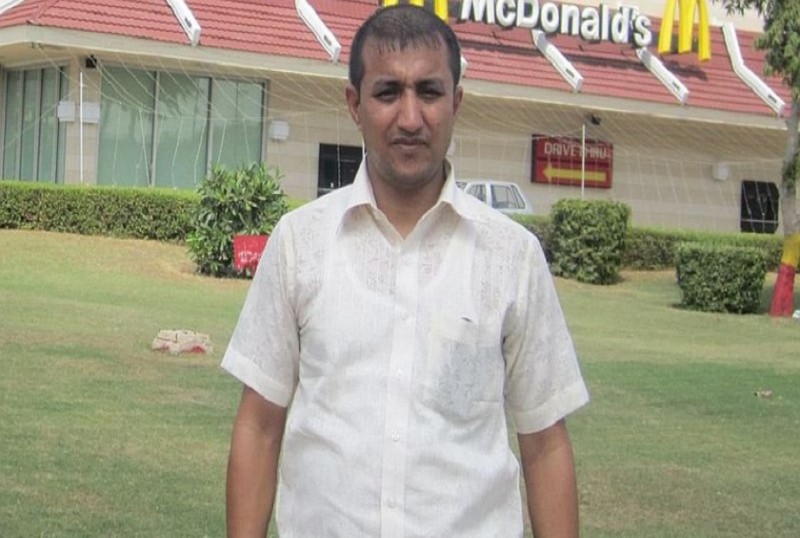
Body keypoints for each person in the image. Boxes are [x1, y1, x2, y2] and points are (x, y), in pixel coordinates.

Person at [222, 4, 589, 537]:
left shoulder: (511, 256)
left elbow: (545, 444)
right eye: (388, 92)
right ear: (355, 104)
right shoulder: (301, 243)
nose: (411, 118)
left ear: (456, 102)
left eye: (430, 92)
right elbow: (259, 426)